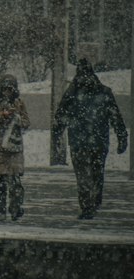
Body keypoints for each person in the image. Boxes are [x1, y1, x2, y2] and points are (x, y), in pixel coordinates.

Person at [52, 57, 129, 220]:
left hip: (79, 141)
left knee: (82, 175)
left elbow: (60, 117)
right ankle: (95, 200)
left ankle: (87, 205)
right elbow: (116, 117)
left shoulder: (72, 92)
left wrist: (57, 135)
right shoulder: (103, 91)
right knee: (97, 172)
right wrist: (122, 137)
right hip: (99, 141)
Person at [0, 73, 30, 223]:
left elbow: (26, 122)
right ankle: (0, 211)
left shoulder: (19, 103)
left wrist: (16, 118)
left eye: (10, 89)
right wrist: (1, 116)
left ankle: (15, 208)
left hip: (13, 149)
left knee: (15, 183)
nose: (7, 92)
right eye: (5, 89)